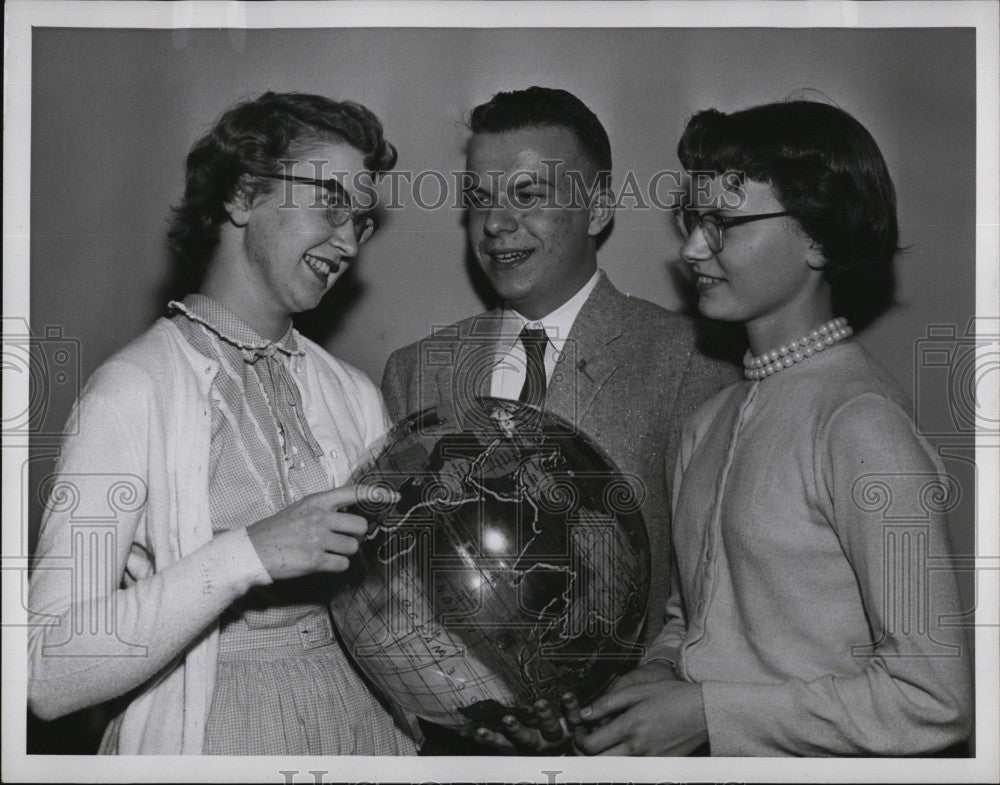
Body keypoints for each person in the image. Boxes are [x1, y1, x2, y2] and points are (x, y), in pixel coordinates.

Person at [569, 100, 974, 756]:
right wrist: (658, 671)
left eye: (724, 223)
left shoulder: (862, 425)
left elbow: (935, 698)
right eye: (693, 220)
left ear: (818, 236)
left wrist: (708, 712)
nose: (693, 248)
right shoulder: (710, 420)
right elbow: (698, 622)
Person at [27, 91, 417, 755]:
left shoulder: (352, 393)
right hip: (210, 740)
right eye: (330, 201)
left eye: (361, 218)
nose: (350, 240)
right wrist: (248, 554)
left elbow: (394, 616)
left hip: (366, 736)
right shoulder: (133, 391)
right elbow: (44, 670)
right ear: (242, 197)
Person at [380, 86, 740, 753]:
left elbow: (710, 594)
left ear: (600, 207)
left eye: (527, 195)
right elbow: (395, 589)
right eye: (482, 199)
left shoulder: (691, 363)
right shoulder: (416, 370)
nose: (496, 224)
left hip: (623, 748)